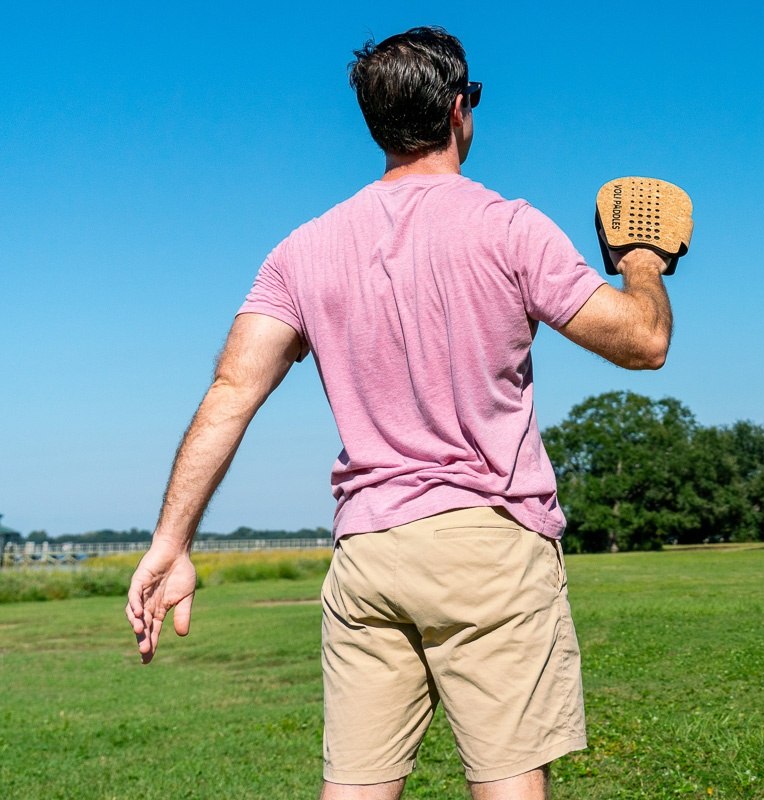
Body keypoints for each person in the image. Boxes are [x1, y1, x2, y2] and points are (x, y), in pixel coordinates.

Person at [125, 27, 676, 800]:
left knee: (355, 788)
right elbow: (644, 342)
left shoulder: (301, 251)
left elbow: (230, 392)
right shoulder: (508, 226)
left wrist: (171, 542)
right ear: (458, 109)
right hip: (487, 543)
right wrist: (642, 265)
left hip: (367, 556)